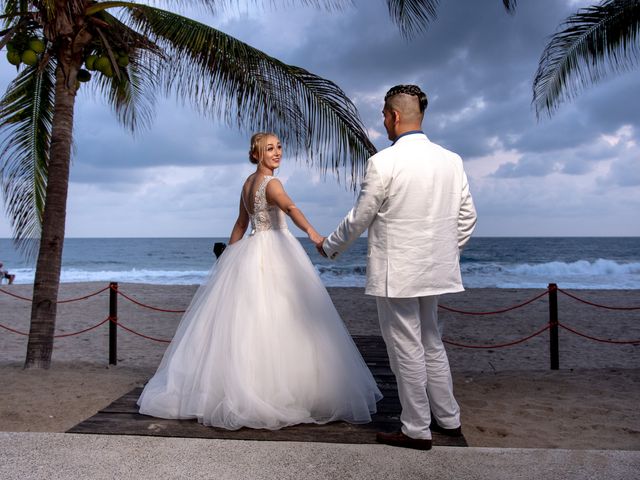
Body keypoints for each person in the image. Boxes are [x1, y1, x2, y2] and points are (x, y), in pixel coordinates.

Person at [138, 132, 381, 430]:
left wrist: (228, 257)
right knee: (285, 316)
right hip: (276, 250)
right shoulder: (272, 183)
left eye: (279, 146)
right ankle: (281, 391)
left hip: (252, 251)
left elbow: (241, 224)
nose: (277, 152)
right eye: (269, 148)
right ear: (256, 154)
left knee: (252, 320)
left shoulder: (246, 184)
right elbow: (291, 209)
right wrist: (315, 235)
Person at [318, 85, 477, 450]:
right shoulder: (451, 160)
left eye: (384, 117)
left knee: (405, 347)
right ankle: (448, 419)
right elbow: (467, 217)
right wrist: (443, 252)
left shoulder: (383, 162)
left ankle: (416, 428)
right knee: (431, 341)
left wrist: (330, 247)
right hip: (435, 269)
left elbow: (360, 217)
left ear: (394, 116)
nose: (385, 124)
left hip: (397, 272)